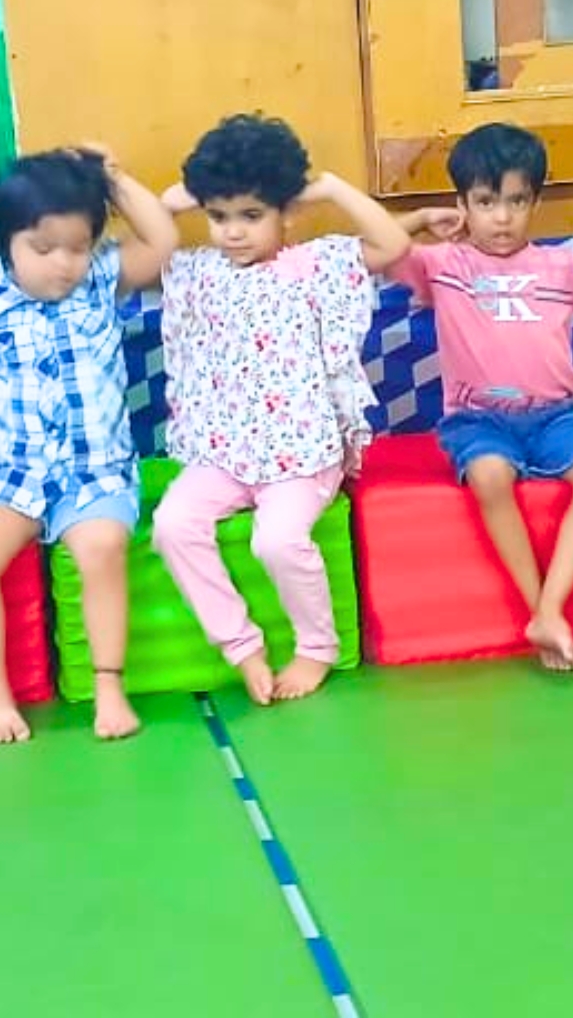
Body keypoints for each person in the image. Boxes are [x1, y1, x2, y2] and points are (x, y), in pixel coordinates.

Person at [0, 146, 179, 742]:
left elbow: (163, 241)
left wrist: (112, 177)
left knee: (101, 547)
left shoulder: (101, 279)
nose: (63, 264)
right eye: (43, 248)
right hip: (11, 471)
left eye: (78, 247)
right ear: (6, 242)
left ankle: (109, 687)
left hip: (95, 470)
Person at [391, 123, 573, 671]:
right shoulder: (443, 264)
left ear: (535, 203)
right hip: (478, 418)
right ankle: (536, 605)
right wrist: (420, 218)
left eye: (516, 201)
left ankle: (550, 610)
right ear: (462, 205)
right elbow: (370, 251)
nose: (502, 217)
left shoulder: (560, 267)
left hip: (558, 415)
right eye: (485, 202)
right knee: (490, 475)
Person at [151, 114, 411, 703]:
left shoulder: (315, 264)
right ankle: (240, 645)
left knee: (277, 540)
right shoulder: (199, 270)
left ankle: (316, 646)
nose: (232, 232)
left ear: (285, 211)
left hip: (301, 453)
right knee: (172, 525)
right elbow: (148, 238)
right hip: (226, 452)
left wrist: (332, 189)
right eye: (218, 216)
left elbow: (393, 245)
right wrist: (176, 200)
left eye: (251, 215)